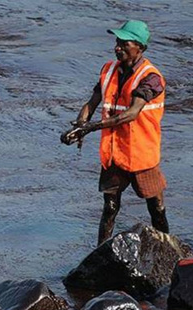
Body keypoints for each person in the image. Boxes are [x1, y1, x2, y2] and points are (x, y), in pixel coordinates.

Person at [61, 20, 169, 245]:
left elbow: (131, 114)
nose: (117, 47)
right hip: (114, 154)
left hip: (142, 156)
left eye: (124, 43)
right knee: (109, 207)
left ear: (140, 47)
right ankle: (99, 253)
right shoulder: (108, 70)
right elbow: (92, 102)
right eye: (117, 42)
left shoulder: (151, 78)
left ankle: (169, 250)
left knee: (156, 209)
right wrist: (80, 125)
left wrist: (90, 128)